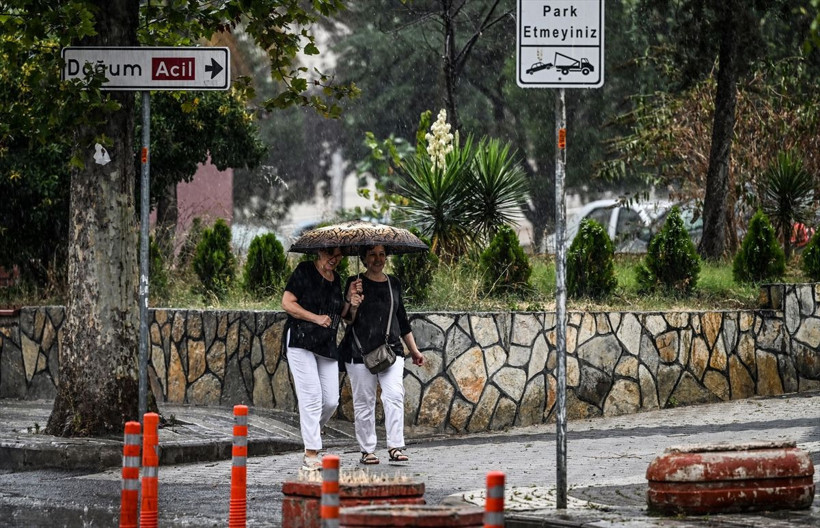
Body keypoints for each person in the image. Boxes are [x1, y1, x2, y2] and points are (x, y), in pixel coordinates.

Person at [340, 244, 425, 465]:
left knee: (395, 396)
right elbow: (347, 320)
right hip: (360, 352)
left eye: (381, 254)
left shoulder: (392, 283)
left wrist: (414, 350)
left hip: (391, 351)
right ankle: (367, 450)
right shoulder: (354, 282)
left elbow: (402, 319)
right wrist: (353, 302)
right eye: (372, 254)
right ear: (363, 258)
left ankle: (395, 446)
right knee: (364, 402)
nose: (378, 259)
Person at [282, 247, 359, 470]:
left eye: (338, 255)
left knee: (331, 401)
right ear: (319, 252)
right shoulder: (304, 270)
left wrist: (352, 301)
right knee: (312, 397)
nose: (334, 259)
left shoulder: (337, 280)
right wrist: (315, 318)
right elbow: (287, 303)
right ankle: (311, 454)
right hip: (300, 339)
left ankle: (311, 432)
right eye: (329, 254)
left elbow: (346, 315)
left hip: (326, 344)